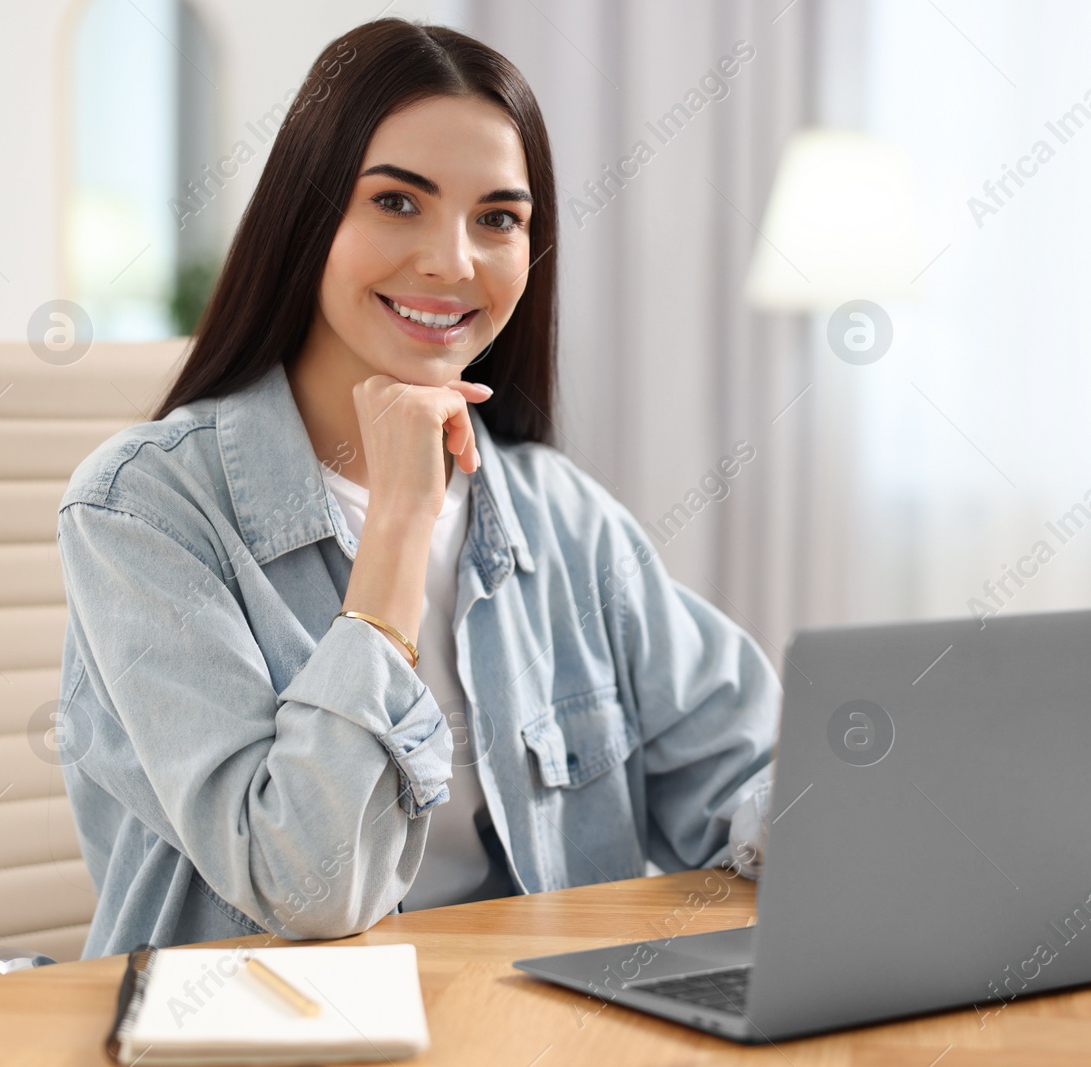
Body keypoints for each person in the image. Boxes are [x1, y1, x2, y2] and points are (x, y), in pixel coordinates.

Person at [56, 18, 777, 958]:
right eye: (398, 202)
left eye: (499, 218)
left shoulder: (564, 517)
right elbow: (308, 886)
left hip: (538, 1026)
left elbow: (754, 775)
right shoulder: (142, 511)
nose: (452, 261)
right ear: (308, 215)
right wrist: (399, 520)